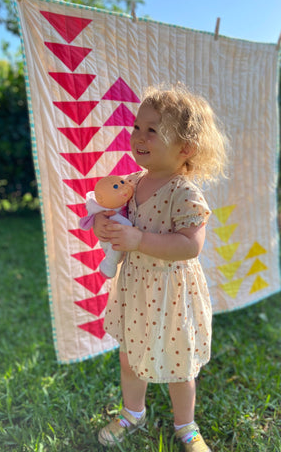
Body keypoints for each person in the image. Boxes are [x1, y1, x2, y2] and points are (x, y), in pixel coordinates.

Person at [93, 83, 229, 451]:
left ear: (185, 148)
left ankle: (186, 425)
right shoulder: (132, 182)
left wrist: (140, 241)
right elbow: (113, 217)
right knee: (129, 356)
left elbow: (190, 245)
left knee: (178, 363)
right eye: (137, 126)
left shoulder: (184, 192)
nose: (138, 135)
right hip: (136, 289)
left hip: (172, 294)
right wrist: (105, 226)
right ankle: (132, 412)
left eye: (152, 130)